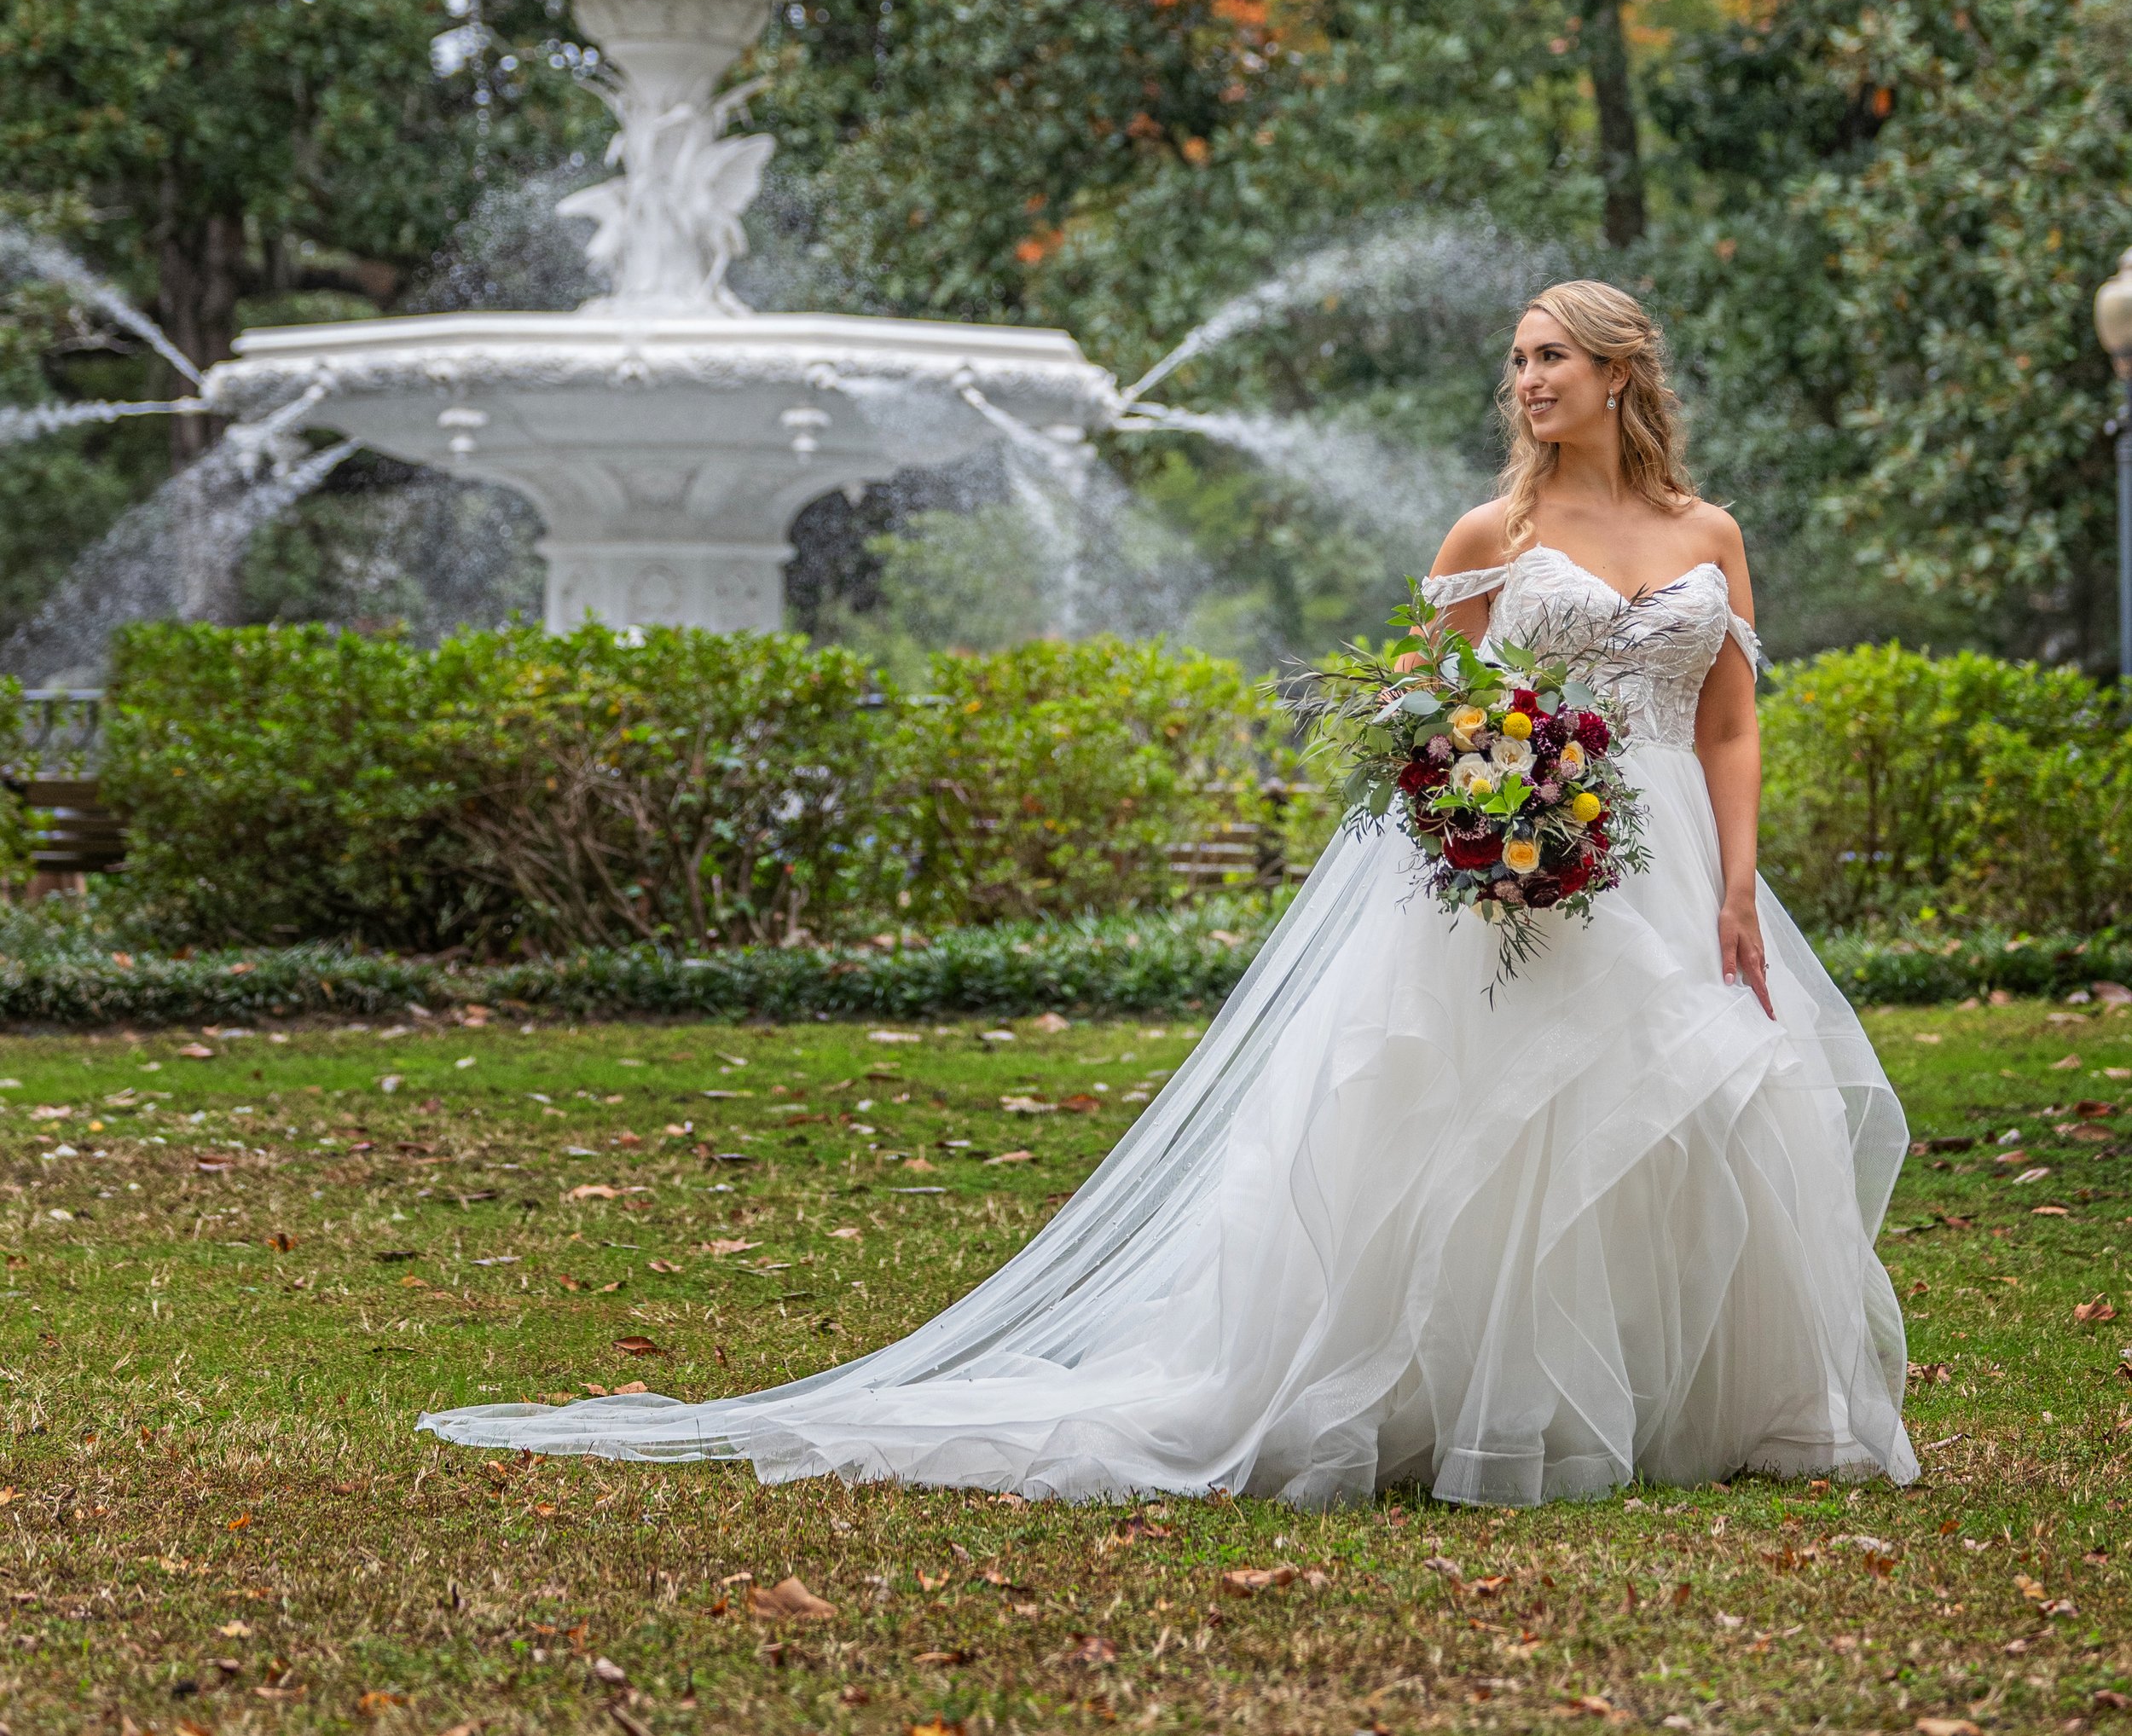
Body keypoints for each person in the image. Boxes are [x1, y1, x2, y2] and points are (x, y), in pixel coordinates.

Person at [419, 280, 1915, 1506]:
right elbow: (1415, 704)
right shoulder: (1492, 539)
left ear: (1617, 373)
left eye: (1551, 358)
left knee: (1697, 1102)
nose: (1526, 379)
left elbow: (1728, 720)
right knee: (1502, 1121)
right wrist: (1493, 781)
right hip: (1520, 862)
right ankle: (1480, 1403)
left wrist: (1737, 882)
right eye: (1517, 358)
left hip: (1664, 854)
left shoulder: (1709, 535)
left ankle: (1693, 1403)